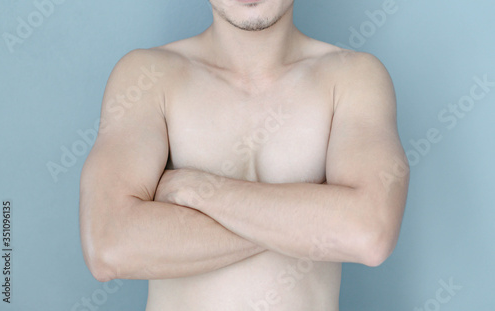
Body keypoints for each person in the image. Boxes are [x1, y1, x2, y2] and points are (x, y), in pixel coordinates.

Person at [79, 0, 410, 310]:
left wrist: (192, 188)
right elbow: (109, 247)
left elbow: (369, 234)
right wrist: (309, 224)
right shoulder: (147, 76)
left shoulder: (352, 77)